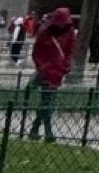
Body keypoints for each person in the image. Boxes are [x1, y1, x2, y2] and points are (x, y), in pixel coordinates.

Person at [27, 7, 76, 142]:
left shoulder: (68, 33)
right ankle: (47, 131)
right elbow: (37, 53)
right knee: (48, 101)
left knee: (46, 101)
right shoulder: (46, 33)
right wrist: (43, 67)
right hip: (47, 72)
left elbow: (69, 51)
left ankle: (35, 128)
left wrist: (65, 65)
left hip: (57, 72)